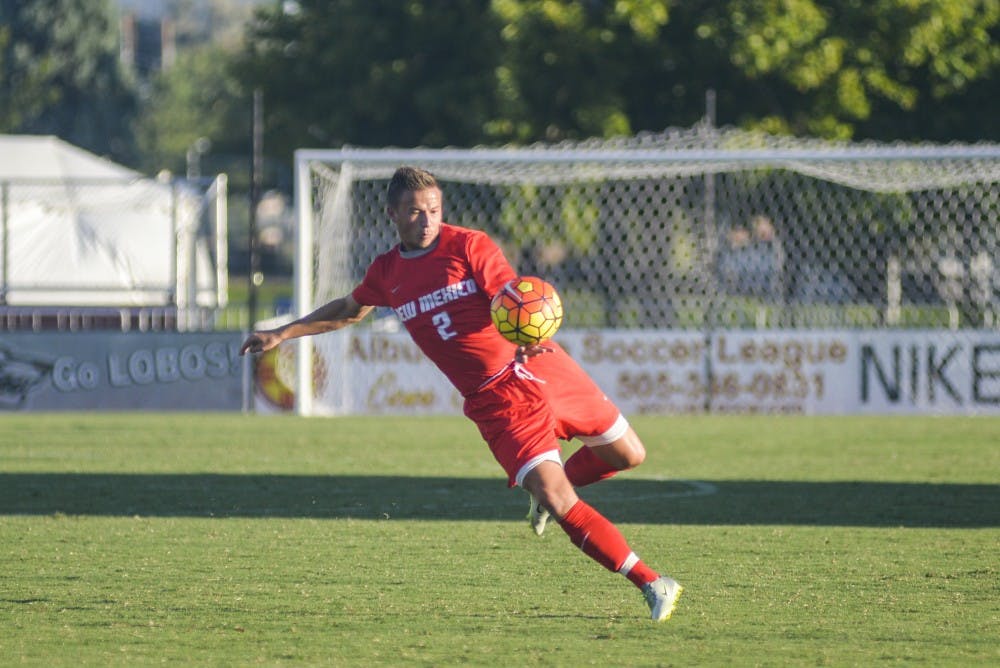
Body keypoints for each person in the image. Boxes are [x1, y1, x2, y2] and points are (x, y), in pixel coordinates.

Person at [239, 166, 683, 621]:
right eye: (415, 212)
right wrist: (285, 333)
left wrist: (528, 330)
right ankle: (651, 581)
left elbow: (510, 296)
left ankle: (550, 488)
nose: (427, 220)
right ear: (392, 214)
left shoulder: (469, 246)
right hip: (498, 401)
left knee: (628, 455)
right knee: (559, 498)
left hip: (541, 365)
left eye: (434, 209)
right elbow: (350, 310)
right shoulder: (387, 272)